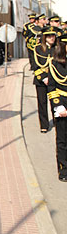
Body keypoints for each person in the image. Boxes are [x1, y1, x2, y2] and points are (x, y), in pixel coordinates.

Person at [48, 36, 67, 182]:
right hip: (62, 105)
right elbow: (52, 88)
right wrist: (59, 107)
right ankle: (63, 170)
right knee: (62, 140)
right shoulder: (55, 65)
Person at [31, 27, 57, 133]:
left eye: (53, 36)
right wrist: (44, 78)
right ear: (44, 37)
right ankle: (44, 125)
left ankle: (57, 121)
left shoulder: (58, 48)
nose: (51, 38)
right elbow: (35, 65)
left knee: (55, 102)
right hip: (41, 80)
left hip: (55, 80)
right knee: (42, 103)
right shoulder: (38, 49)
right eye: (49, 36)